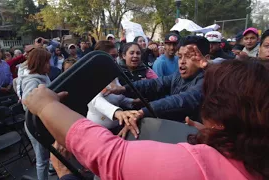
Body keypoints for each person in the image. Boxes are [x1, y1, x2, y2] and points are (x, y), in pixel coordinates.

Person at [23, 57, 268, 180]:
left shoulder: (198, 166)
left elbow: (111, 156)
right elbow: (151, 88)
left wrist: (45, 107)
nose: (182, 60)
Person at [107, 36, 210, 122]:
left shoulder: (208, 81)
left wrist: (144, 111)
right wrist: (124, 89)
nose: (182, 61)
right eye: (179, 56)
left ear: (206, 59)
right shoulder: (178, 76)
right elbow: (155, 84)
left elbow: (184, 100)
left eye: (189, 57)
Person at [87, 40, 141, 136]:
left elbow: (116, 98)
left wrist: (132, 101)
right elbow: (96, 100)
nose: (115, 60)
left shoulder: (113, 75)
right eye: (111, 56)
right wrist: (116, 112)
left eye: (116, 56)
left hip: (116, 128)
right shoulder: (92, 76)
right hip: (97, 131)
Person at [19, 48, 53, 180]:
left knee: (48, 155)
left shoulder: (43, 76)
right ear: (38, 63)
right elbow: (27, 102)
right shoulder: (32, 81)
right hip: (35, 125)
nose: (49, 65)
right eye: (46, 62)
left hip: (44, 122)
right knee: (41, 159)